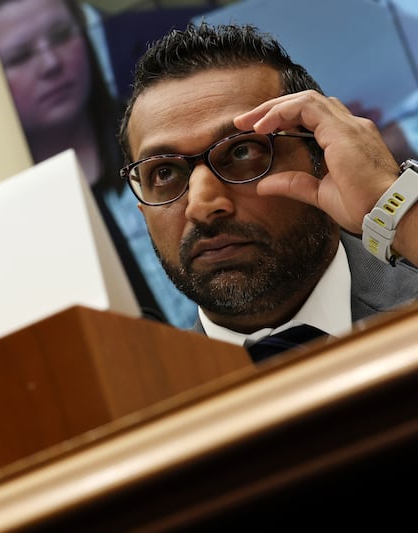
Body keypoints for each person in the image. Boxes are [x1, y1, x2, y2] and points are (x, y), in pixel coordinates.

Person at [118, 22, 418, 358]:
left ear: (323, 158)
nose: (201, 205)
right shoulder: (149, 403)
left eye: (242, 151)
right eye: (164, 172)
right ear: (144, 213)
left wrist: (395, 208)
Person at [0, 0, 198, 328]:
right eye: (20, 57)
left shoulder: (164, 139)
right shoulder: (2, 218)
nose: (52, 63)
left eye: (61, 35)